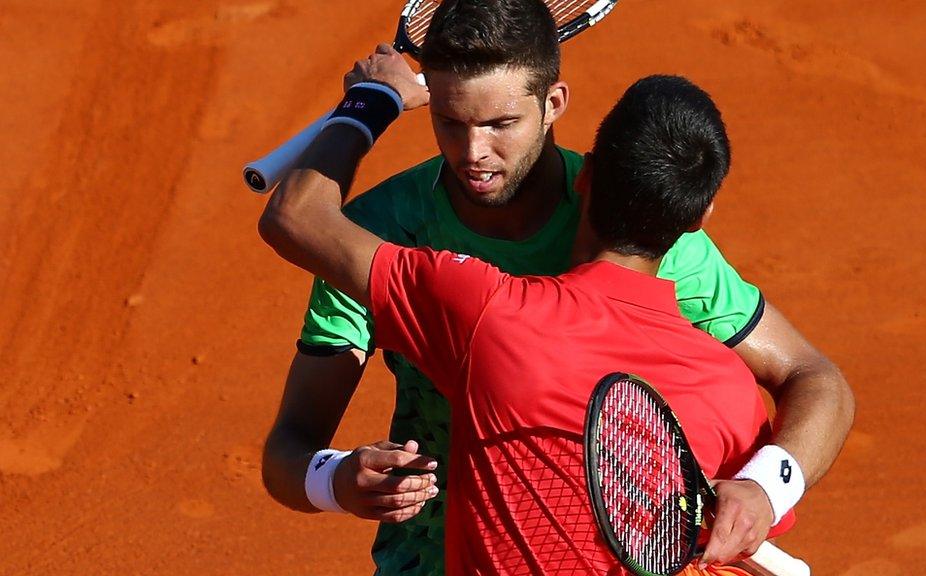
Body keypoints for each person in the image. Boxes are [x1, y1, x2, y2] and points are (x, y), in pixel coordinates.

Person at [259, 0, 854, 573]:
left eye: (501, 124)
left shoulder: (634, 219)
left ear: (553, 104)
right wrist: (335, 479)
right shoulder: (385, 231)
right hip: (429, 560)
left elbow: (815, 377)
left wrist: (764, 488)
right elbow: (290, 447)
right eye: (450, 121)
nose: (475, 154)